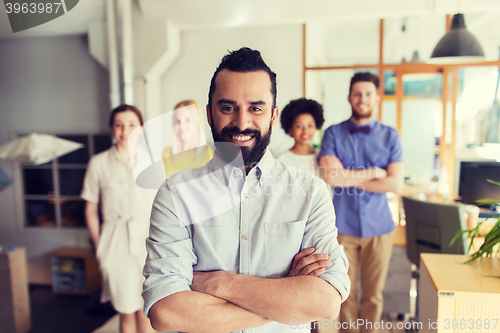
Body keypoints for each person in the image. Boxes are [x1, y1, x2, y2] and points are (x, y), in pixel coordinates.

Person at [142, 47, 350, 333]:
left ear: (273, 115)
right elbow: (167, 313)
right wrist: (286, 296)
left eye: (256, 108)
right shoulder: (175, 194)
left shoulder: (310, 193)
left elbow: (325, 302)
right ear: (209, 114)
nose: (241, 123)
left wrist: (217, 283)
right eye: (228, 108)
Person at [318, 72, 404, 333]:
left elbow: (395, 184)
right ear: (349, 97)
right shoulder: (333, 133)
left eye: (368, 94)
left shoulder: (390, 136)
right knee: (344, 292)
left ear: (377, 98)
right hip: (342, 226)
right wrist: (376, 173)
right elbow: (329, 176)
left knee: (373, 295)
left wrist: (347, 178)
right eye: (357, 93)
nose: (362, 99)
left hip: (379, 227)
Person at [81, 104, 156, 333]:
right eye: (119, 125)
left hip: (148, 240)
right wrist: (99, 245)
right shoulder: (99, 163)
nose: (125, 131)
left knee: (147, 309)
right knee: (126, 310)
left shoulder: (153, 161)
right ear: (112, 129)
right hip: (115, 243)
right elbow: (90, 209)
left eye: (131, 125)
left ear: (141, 129)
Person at [162, 100, 212, 178]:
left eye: (188, 120)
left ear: (197, 122)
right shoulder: (166, 153)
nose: (181, 126)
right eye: (177, 121)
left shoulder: (211, 154)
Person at [276, 98, 325, 177]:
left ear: (316, 127)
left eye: (310, 125)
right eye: (299, 126)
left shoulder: (322, 157)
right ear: (290, 129)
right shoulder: (281, 161)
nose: (305, 131)